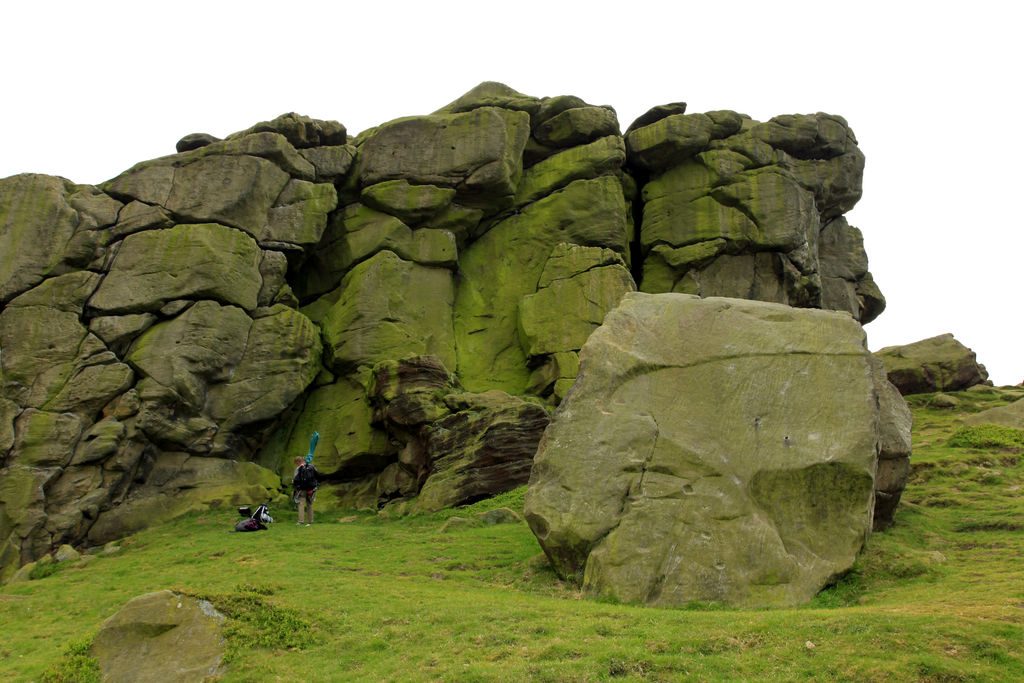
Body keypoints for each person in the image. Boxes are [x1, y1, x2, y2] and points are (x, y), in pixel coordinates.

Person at [292, 455, 319, 526]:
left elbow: (295, 479)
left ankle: (301, 521)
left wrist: (296, 487)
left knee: (301, 504)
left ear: (298, 462)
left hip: (302, 489)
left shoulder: (298, 468)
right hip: (311, 488)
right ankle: (311, 520)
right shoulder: (312, 466)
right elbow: (317, 475)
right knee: (309, 504)